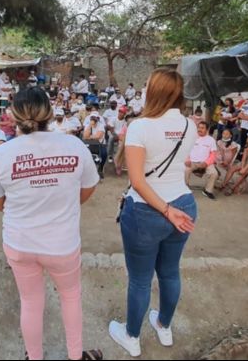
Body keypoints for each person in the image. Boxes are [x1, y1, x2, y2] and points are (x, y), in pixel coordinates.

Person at [0, 88, 102, 361]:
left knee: (30, 303)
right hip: (62, 244)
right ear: (49, 114)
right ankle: (75, 356)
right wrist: (64, 205)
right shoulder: (73, 146)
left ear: (12, 115)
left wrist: (18, 208)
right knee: (71, 297)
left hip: (20, 242)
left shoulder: (3, 153)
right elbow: (88, 187)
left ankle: (34, 357)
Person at [109, 68, 197, 358]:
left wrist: (166, 210)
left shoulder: (141, 126)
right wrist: (172, 209)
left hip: (150, 209)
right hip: (184, 203)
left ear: (154, 91)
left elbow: (137, 181)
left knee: (140, 279)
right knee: (170, 271)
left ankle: (132, 336)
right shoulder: (189, 125)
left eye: (147, 85)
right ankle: (164, 326)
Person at [185, 122, 218, 200]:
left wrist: (206, 163)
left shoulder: (211, 140)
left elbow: (213, 155)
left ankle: (208, 191)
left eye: (202, 128)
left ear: (207, 129)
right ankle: (185, 188)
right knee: (186, 170)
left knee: (214, 173)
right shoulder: (192, 138)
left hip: (206, 162)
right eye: (199, 127)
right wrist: (187, 159)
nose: (200, 129)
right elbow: (186, 150)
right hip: (192, 162)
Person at [82, 114, 107, 178]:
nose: (93, 120)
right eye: (92, 118)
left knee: (104, 154)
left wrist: (89, 137)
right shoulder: (88, 125)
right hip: (90, 144)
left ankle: (100, 168)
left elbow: (98, 136)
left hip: (100, 144)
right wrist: (90, 126)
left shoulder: (101, 125)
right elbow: (85, 136)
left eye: (94, 118)